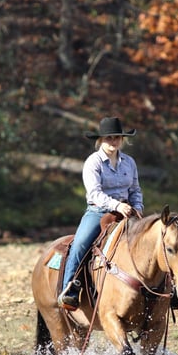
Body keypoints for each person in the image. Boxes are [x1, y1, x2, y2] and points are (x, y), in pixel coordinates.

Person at [58, 116, 144, 310]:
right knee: (80, 244)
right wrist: (117, 205)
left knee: (152, 241)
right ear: (101, 140)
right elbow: (94, 193)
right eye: (109, 138)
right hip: (99, 212)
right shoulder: (93, 162)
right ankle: (69, 289)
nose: (113, 141)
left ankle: (162, 289)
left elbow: (135, 190)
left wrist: (138, 207)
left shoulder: (129, 162)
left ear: (122, 139)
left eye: (117, 137)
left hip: (128, 212)